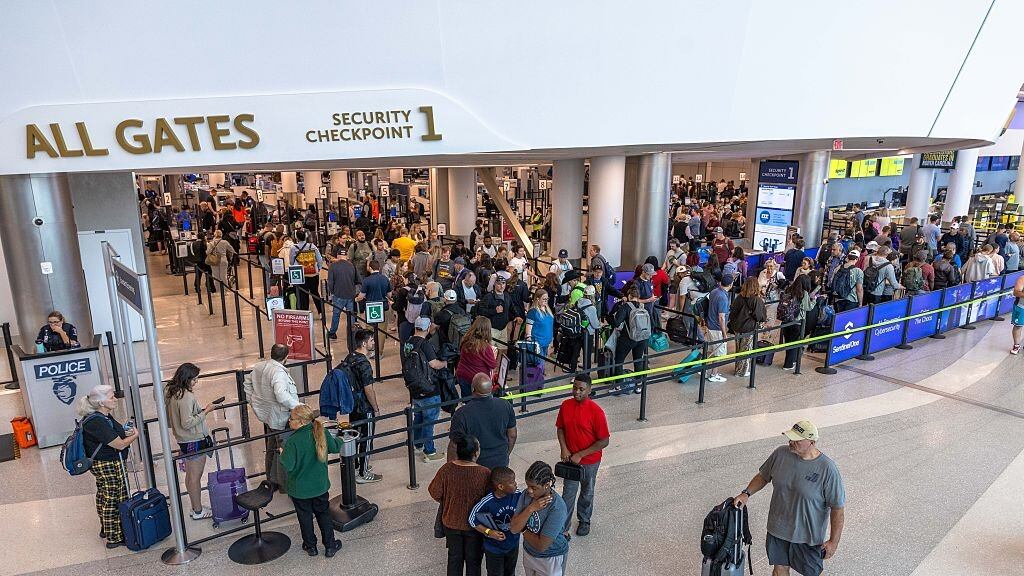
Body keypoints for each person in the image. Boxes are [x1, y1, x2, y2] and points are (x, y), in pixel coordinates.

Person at [734, 420, 846, 576]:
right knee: (779, 570)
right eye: (791, 438)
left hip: (807, 537)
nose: (791, 442)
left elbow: (837, 509)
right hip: (777, 529)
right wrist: (746, 493)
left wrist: (834, 542)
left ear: (811, 442)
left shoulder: (827, 469)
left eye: (797, 440)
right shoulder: (780, 453)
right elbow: (763, 476)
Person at [79, 384, 139, 548]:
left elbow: (114, 435)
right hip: (108, 464)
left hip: (108, 463)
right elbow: (119, 445)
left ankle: (106, 528)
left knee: (104, 495)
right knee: (113, 499)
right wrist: (135, 436)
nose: (115, 399)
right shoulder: (97, 422)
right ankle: (114, 537)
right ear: (101, 402)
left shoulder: (103, 416)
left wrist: (125, 432)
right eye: (111, 397)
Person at [280, 404, 343, 557]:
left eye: (292, 418)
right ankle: (330, 546)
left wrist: (282, 453)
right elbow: (335, 448)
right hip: (320, 486)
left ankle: (310, 546)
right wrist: (340, 440)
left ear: (301, 422)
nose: (289, 421)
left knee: (305, 517)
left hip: (300, 490)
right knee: (323, 515)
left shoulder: (292, 441)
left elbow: (288, 465)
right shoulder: (321, 432)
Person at [556, 375, 610, 537]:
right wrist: (564, 449)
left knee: (587, 491)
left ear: (589, 390)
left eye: (581, 389)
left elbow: (604, 441)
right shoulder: (566, 405)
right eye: (575, 388)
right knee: (568, 494)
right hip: (571, 460)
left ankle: (584, 520)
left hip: (589, 461)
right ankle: (563, 528)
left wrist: (581, 454)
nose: (577, 392)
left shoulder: (596, 412)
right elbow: (560, 429)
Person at [429, 435, 491, 576]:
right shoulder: (484, 473)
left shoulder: (446, 469)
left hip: (451, 524)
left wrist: (451, 500)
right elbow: (489, 500)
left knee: (454, 559)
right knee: (474, 561)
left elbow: (434, 492)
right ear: (476, 453)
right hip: (475, 527)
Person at [243, 344, 300, 492]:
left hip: (268, 416)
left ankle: (271, 480)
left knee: (272, 446)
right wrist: (298, 406)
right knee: (284, 450)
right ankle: (284, 485)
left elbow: (247, 383)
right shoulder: (278, 373)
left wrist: (254, 401)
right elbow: (281, 395)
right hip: (281, 417)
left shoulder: (259, 366)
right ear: (286, 357)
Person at [166, 362, 215, 520]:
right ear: (186, 378)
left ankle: (196, 507)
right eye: (194, 379)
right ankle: (198, 511)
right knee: (195, 477)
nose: (196, 382)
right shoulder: (185, 396)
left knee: (190, 476)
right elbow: (187, 423)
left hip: (184, 440)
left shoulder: (173, 392)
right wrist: (206, 411)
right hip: (194, 440)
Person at [510, 461, 570, 576]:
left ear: (546, 485)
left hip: (551, 557)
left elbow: (541, 545)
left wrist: (523, 529)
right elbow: (513, 528)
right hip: (529, 552)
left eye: (534, 487)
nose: (529, 490)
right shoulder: (526, 495)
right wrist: (530, 508)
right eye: (528, 486)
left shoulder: (557, 507)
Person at [448, 373, 517, 469]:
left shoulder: (461, 414)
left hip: (475, 466)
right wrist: (505, 455)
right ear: (491, 388)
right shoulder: (506, 405)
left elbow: (453, 446)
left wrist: (452, 470)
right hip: (500, 463)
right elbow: (512, 435)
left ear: (473, 389)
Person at [405, 316, 448, 462]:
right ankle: (429, 451)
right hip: (428, 388)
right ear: (428, 327)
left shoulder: (408, 342)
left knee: (418, 417)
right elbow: (434, 364)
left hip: (414, 387)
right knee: (429, 420)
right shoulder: (424, 344)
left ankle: (417, 443)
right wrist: (445, 363)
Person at [344, 329, 383, 483]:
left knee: (355, 436)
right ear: (365, 343)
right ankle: (363, 473)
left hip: (352, 404)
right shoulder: (364, 363)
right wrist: (376, 409)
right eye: (372, 340)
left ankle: (356, 465)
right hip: (364, 407)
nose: (374, 343)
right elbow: (368, 389)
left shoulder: (350, 357)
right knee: (367, 440)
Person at [470, 467, 522, 576]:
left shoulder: (518, 495)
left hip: (512, 545)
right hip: (494, 549)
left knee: (510, 573)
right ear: (501, 486)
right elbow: (472, 520)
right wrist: (489, 532)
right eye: (512, 482)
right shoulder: (487, 502)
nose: (516, 484)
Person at [610, 287, 650, 395]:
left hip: (628, 338)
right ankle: (638, 386)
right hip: (642, 338)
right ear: (638, 296)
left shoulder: (625, 307)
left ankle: (618, 386)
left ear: (629, 296)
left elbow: (617, 322)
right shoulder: (643, 306)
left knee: (619, 360)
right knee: (638, 360)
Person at [729, 278, 767, 377]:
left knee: (738, 349)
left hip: (737, 327)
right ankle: (741, 371)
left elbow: (733, 312)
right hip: (749, 327)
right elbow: (759, 316)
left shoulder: (739, 297)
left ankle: (738, 367)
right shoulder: (756, 299)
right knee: (746, 350)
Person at [456, 317, 499, 399]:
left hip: (462, 374)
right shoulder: (485, 347)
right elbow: (493, 365)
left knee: (467, 401)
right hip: (478, 380)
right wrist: (494, 354)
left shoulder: (466, 340)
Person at [326, 247, 359, 348]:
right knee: (351, 315)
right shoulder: (351, 265)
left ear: (337, 256)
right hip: (350, 294)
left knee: (336, 314)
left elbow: (330, 282)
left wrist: (333, 292)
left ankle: (332, 333)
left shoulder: (333, 266)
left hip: (339, 294)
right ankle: (352, 333)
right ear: (346, 256)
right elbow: (357, 280)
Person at [703, 274, 734, 381]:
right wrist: (724, 333)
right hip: (717, 328)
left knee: (710, 350)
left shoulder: (714, 291)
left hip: (710, 325)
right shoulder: (723, 298)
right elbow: (721, 317)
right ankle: (713, 375)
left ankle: (705, 371)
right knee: (718, 354)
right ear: (730, 285)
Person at [780, 277, 814, 370]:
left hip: (786, 320)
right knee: (794, 343)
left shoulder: (788, 289)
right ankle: (788, 364)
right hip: (797, 322)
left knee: (788, 343)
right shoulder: (804, 293)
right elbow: (807, 307)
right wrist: (814, 300)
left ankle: (791, 360)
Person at [290, 230, 325, 315]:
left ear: (296, 238)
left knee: (303, 293)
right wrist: (319, 268)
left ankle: (305, 313)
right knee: (315, 292)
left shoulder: (294, 248)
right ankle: (321, 312)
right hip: (313, 273)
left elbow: (291, 262)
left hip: (301, 274)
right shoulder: (312, 246)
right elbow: (319, 259)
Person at [477, 273, 511, 354]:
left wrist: (517, 316)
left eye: (503, 283)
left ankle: (499, 366)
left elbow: (511, 308)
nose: (502, 286)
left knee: (503, 351)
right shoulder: (489, 297)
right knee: (490, 352)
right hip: (492, 328)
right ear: (495, 284)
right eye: (499, 284)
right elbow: (480, 310)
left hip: (503, 328)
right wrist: (494, 311)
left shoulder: (507, 296)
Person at [524, 289, 555, 372]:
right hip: (537, 343)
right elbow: (528, 328)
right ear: (537, 299)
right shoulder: (532, 312)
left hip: (546, 341)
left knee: (542, 361)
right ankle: (538, 380)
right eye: (544, 299)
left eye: (547, 299)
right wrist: (529, 338)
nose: (546, 301)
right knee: (539, 363)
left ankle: (539, 376)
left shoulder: (548, 310)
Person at [1012, 273, 1024, 354]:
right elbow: (1016, 292)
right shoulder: (1022, 279)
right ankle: (1016, 345)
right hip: (1021, 306)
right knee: (1018, 326)